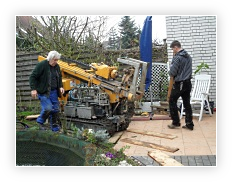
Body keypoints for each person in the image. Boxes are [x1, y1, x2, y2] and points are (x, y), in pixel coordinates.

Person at [29, 50, 64, 130]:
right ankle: (40, 122)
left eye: (57, 60)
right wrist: (33, 89)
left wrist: (61, 86)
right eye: (55, 60)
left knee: (56, 109)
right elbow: (32, 77)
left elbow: (59, 77)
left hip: (54, 91)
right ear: (50, 58)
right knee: (48, 108)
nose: (56, 62)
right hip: (43, 92)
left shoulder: (57, 67)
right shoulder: (42, 65)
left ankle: (55, 128)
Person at [167, 40, 194, 130]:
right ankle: (189, 124)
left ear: (176, 47)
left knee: (172, 100)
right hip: (188, 83)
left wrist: (170, 70)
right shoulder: (188, 56)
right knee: (187, 103)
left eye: (172, 49)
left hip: (180, 84)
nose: (172, 51)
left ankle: (175, 122)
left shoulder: (178, 57)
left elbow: (173, 72)